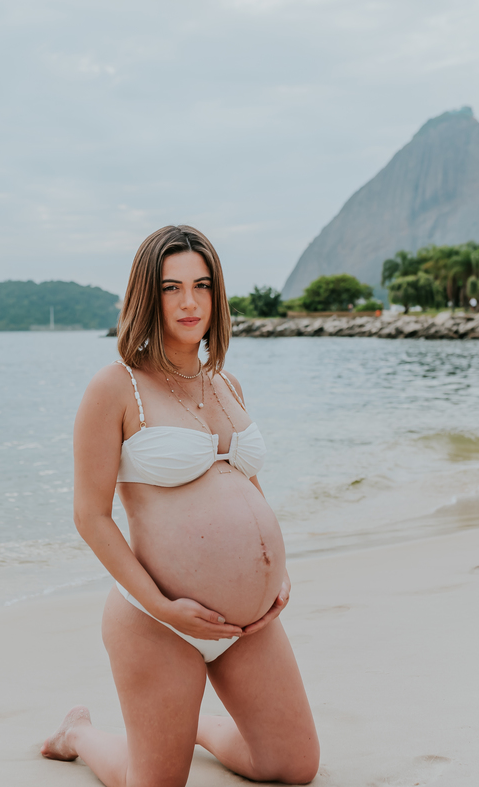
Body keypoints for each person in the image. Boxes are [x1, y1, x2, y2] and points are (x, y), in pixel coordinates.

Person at [41, 226, 319, 786]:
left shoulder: (226, 385)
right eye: (172, 288)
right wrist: (164, 608)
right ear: (148, 297)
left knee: (293, 767)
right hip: (157, 621)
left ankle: (191, 727)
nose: (189, 302)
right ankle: (79, 733)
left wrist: (277, 572)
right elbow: (90, 516)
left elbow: (247, 483)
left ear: (217, 294)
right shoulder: (116, 388)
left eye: (202, 285)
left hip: (249, 623)